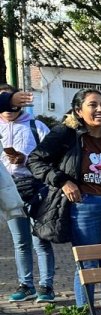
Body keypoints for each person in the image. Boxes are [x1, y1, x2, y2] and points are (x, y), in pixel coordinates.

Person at [29, 88, 101, 308]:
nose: (100, 110)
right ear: (78, 110)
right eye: (93, 105)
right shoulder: (65, 134)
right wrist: (63, 181)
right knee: (88, 265)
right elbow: (35, 161)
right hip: (84, 205)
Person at [1, 84, 55, 302]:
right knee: (20, 240)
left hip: (36, 187)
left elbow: (52, 156)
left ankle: (46, 287)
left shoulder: (37, 126)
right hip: (8, 190)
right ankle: (26, 285)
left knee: (40, 239)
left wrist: (25, 160)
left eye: (10, 100)